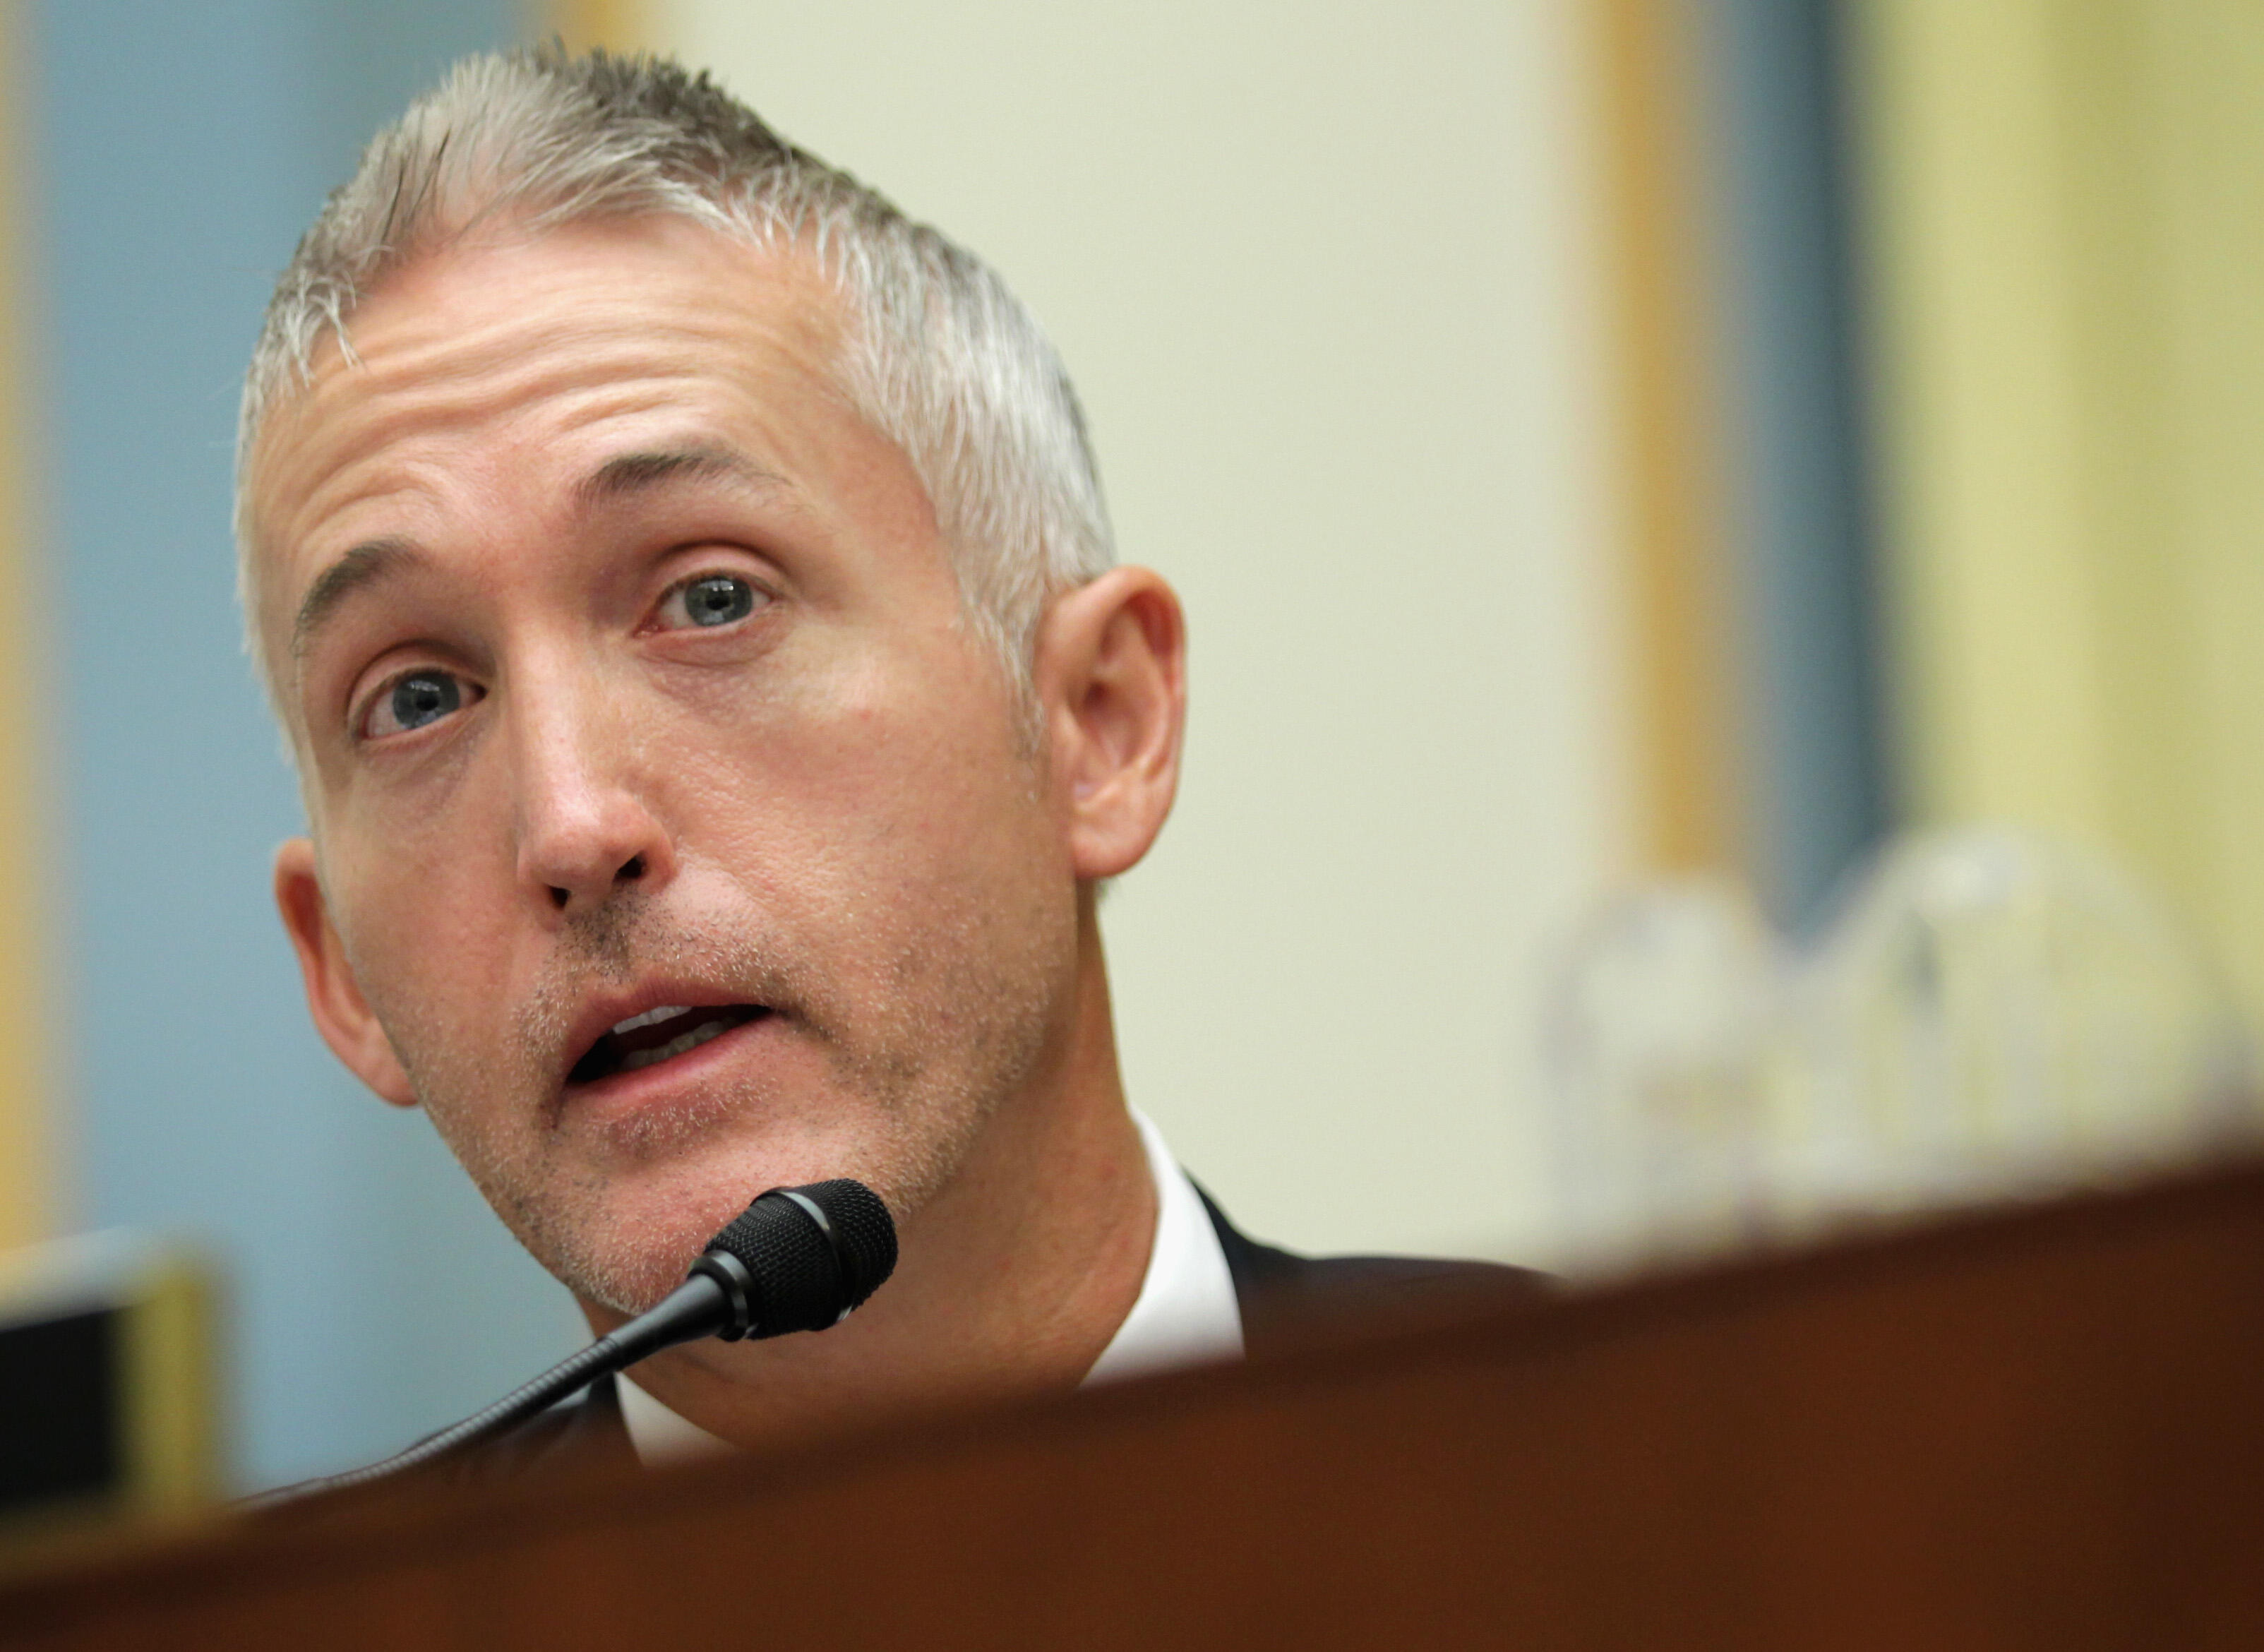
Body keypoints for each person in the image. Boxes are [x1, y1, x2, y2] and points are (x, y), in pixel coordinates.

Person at [239, 45, 1526, 1477]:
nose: (573, 824)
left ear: (1098, 723)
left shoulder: (1694, 1474)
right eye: (419, 696)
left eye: (713, 598)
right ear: (341, 972)